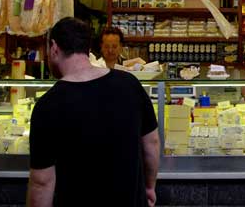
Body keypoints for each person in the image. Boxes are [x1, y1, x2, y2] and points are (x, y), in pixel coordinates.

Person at [27, 17, 160, 207]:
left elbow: (41, 182)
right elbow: (152, 143)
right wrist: (149, 187)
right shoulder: (130, 84)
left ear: (54, 47)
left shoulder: (47, 106)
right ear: (87, 47)